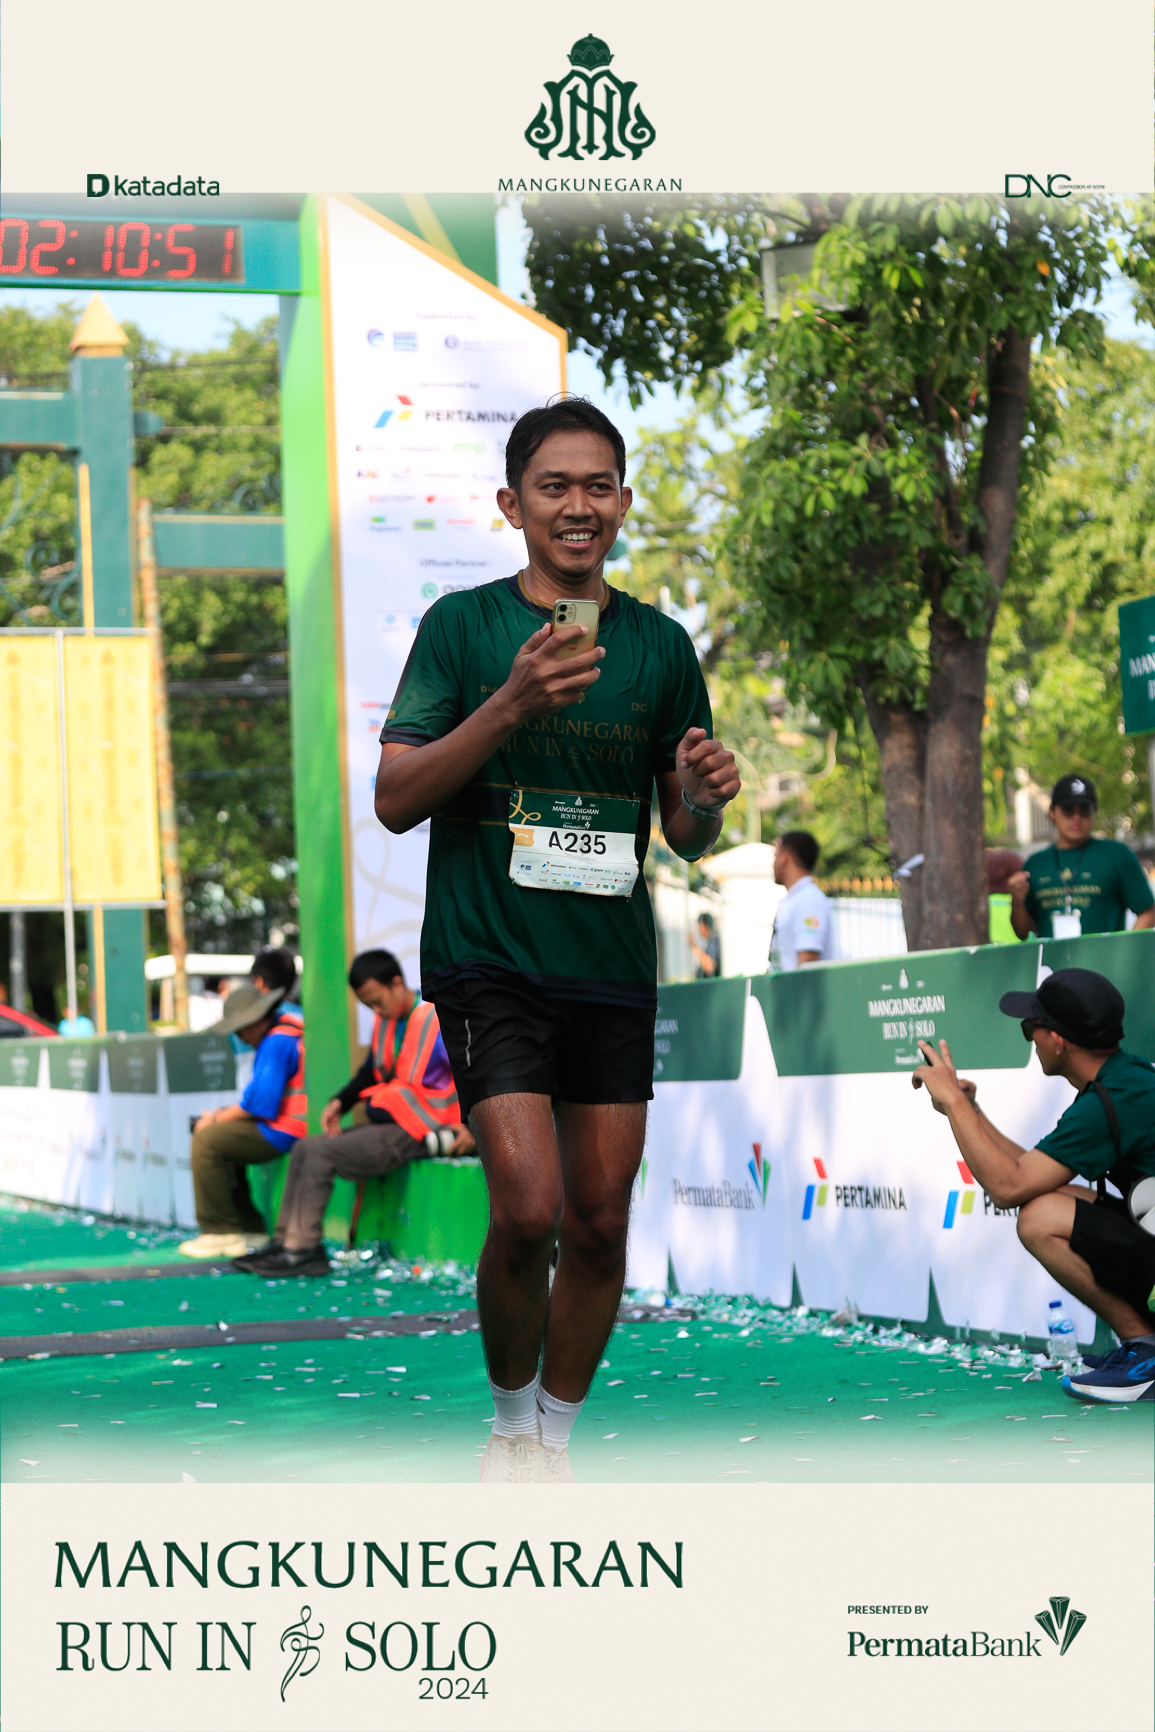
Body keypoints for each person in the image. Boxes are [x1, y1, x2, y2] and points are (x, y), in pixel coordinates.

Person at [374, 397, 740, 1482]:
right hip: (489, 957)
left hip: (610, 965)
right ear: (512, 504)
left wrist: (705, 796)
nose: (578, 506)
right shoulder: (464, 627)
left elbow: (684, 832)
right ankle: (506, 1425)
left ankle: (553, 1441)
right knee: (527, 1208)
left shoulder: (661, 645)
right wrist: (508, 705)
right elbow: (395, 799)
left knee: (598, 1223)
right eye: (554, 486)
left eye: (597, 486)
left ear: (622, 503)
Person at [912, 966, 1155, 1404]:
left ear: (1058, 1040)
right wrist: (969, 1109)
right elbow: (1026, 1173)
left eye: (1031, 1028)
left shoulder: (1111, 1100)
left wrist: (951, 1103)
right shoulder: (1121, 1079)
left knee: (1038, 1218)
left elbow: (1007, 1188)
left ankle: (1147, 1352)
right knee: (1051, 1199)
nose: (1030, 1037)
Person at [233, 949, 472, 1277]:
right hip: (393, 1122)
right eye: (368, 1005)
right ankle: (284, 1242)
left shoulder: (434, 1018)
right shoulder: (388, 1021)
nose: (375, 1010)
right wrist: (340, 1101)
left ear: (397, 983)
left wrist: (471, 1128)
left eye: (377, 1001)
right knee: (304, 1147)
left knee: (321, 1154)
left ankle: (304, 1250)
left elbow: (468, 1071)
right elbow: (372, 1070)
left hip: (420, 1129)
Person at [178, 981, 305, 1259]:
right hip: (290, 1125)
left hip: (286, 1130)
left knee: (206, 1140)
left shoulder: (276, 1041)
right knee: (222, 1133)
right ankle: (249, 1228)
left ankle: (220, 1232)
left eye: (239, 1028)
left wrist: (214, 1119)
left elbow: (260, 1104)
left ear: (256, 1020)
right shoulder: (286, 1030)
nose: (239, 1036)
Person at [1008, 773, 1155, 941]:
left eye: (1084, 810)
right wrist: (1017, 901)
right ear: (1052, 812)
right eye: (1068, 809)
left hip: (1103, 958)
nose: (1076, 817)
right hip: (1052, 959)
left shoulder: (1117, 855)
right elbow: (1024, 933)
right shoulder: (1035, 864)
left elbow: (1148, 911)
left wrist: (1123, 949)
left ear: (1094, 813)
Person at [768, 830, 830, 969]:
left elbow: (807, 962)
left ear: (784, 858)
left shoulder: (809, 899)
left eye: (776, 855)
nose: (773, 863)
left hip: (797, 985)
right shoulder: (797, 898)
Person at [689, 911, 721, 979]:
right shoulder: (711, 941)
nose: (698, 930)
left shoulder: (714, 941)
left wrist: (694, 945)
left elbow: (710, 967)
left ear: (703, 926)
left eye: (699, 927)